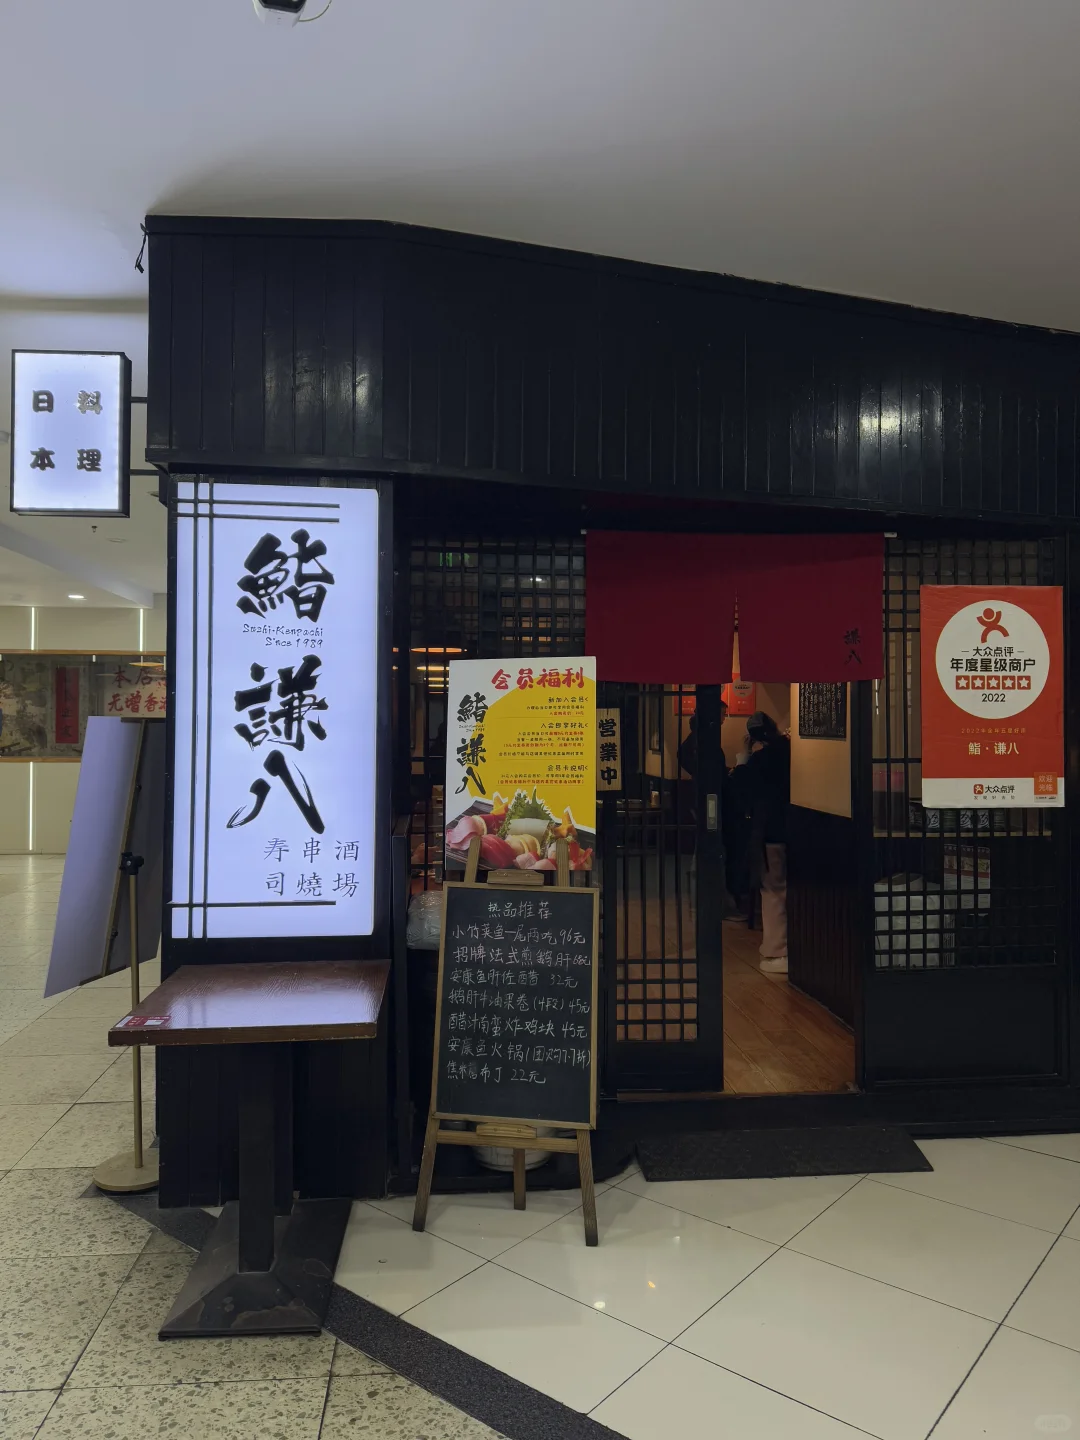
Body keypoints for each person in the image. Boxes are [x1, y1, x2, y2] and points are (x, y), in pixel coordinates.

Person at [678, 704, 741, 919]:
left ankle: (705, 903)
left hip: (702, 799)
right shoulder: (704, 739)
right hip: (708, 802)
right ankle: (712, 906)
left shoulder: (696, 738)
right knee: (710, 851)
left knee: (705, 850)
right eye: (722, 714)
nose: (724, 719)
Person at [742, 711, 790, 973]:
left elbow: (745, 790)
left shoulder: (759, 760)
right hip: (796, 827)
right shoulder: (792, 753)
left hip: (768, 829)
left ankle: (776, 950)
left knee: (772, 890)